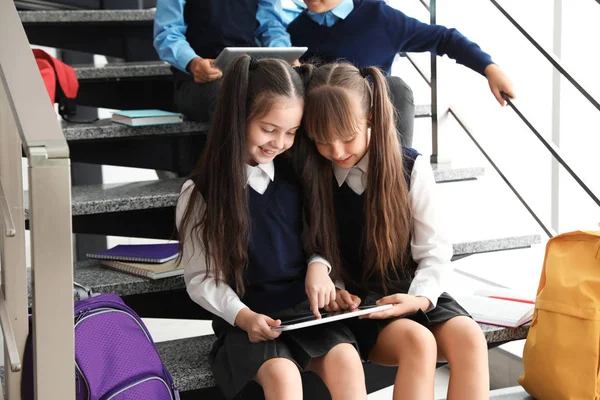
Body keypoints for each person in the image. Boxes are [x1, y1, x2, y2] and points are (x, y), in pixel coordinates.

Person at [295, 62, 489, 400]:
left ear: (370, 118)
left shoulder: (410, 167)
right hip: (359, 303)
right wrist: (335, 288)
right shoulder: (314, 174)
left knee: (470, 338)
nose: (337, 152)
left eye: (347, 138)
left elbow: (435, 251)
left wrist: (419, 298)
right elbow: (314, 244)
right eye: (323, 142)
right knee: (418, 341)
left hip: (411, 289)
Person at [176, 55, 366, 400]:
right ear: (239, 118)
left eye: (291, 132)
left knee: (347, 361)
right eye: (268, 129)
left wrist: (319, 269)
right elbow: (202, 278)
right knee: (283, 377)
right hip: (248, 320)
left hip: (303, 312)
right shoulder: (202, 192)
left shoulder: (298, 174)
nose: (279, 143)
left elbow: (318, 239)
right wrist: (244, 316)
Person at [286, 0, 515, 147]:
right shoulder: (295, 30)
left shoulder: (379, 17)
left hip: (372, 128)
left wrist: (489, 68)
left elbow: (443, 38)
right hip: (324, 134)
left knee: (396, 87)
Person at [154, 0, 293, 123]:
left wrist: (284, 55)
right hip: (197, 79)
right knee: (230, 93)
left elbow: (271, 26)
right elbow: (167, 33)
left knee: (296, 86)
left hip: (250, 71)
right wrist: (193, 62)